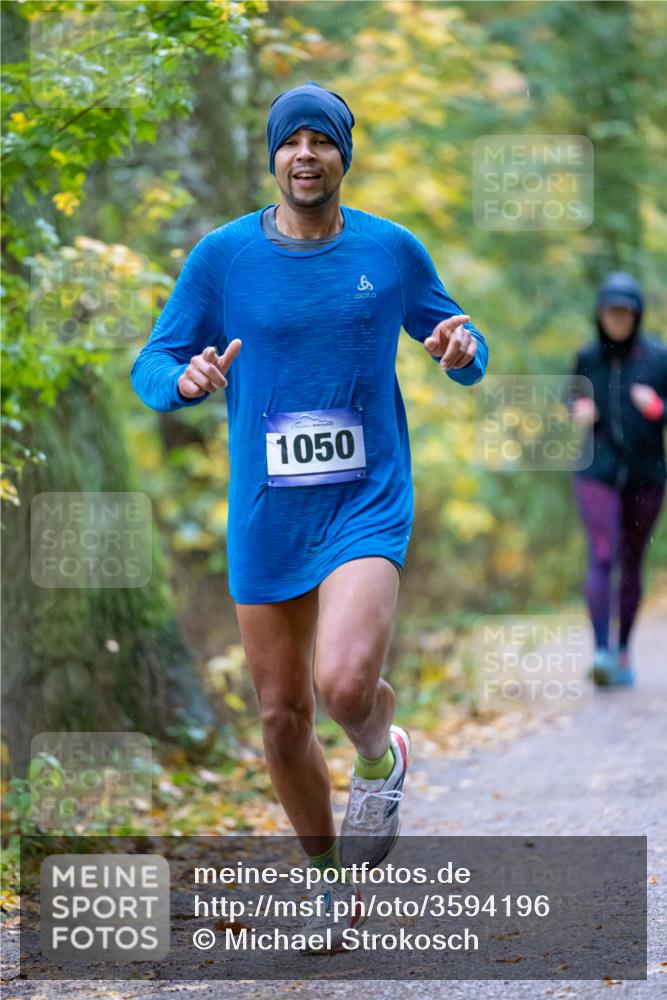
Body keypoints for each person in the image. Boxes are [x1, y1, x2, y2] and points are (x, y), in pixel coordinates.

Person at [131, 80, 488, 951]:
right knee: (281, 714)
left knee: (342, 684)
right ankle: (330, 888)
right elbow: (153, 359)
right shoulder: (222, 259)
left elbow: (460, 341)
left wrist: (462, 349)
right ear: (272, 157)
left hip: (365, 502)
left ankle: (380, 752)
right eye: (290, 142)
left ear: (341, 156)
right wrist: (180, 383)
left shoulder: (390, 251)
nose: (304, 156)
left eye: (320, 142)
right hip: (266, 514)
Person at [571, 272, 666, 687]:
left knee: (630, 563)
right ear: (600, 314)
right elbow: (571, 392)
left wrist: (657, 407)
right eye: (612, 311)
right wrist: (578, 405)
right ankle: (602, 652)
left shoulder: (658, 358)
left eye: (626, 312)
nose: (619, 319)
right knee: (603, 554)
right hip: (597, 470)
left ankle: (624, 650)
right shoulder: (588, 356)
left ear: (637, 315)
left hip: (647, 475)